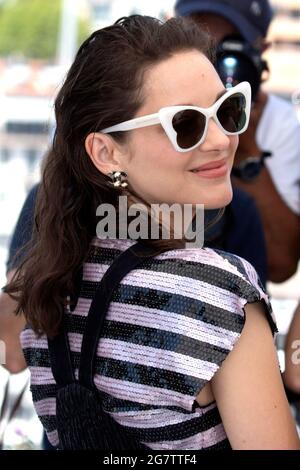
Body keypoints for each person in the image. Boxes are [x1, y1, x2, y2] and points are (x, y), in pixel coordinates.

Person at [6, 15, 299, 450]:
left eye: (227, 110)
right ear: (105, 152)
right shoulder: (220, 295)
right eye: (185, 124)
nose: (221, 139)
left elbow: (12, 351)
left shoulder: (47, 277)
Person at [175, 0, 300, 283]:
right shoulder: (145, 107)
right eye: (197, 41)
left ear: (260, 53)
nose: (211, 64)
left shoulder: (275, 123)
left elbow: (280, 265)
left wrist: (244, 145)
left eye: (227, 49)